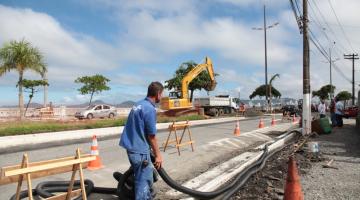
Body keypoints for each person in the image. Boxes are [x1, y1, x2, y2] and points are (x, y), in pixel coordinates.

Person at [119, 82, 164, 200]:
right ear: (158, 94)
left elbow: (139, 128)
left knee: (141, 177)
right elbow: (152, 136)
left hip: (132, 147)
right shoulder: (149, 109)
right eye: (162, 94)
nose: (162, 97)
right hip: (139, 151)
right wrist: (158, 155)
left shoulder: (138, 104)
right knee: (143, 182)